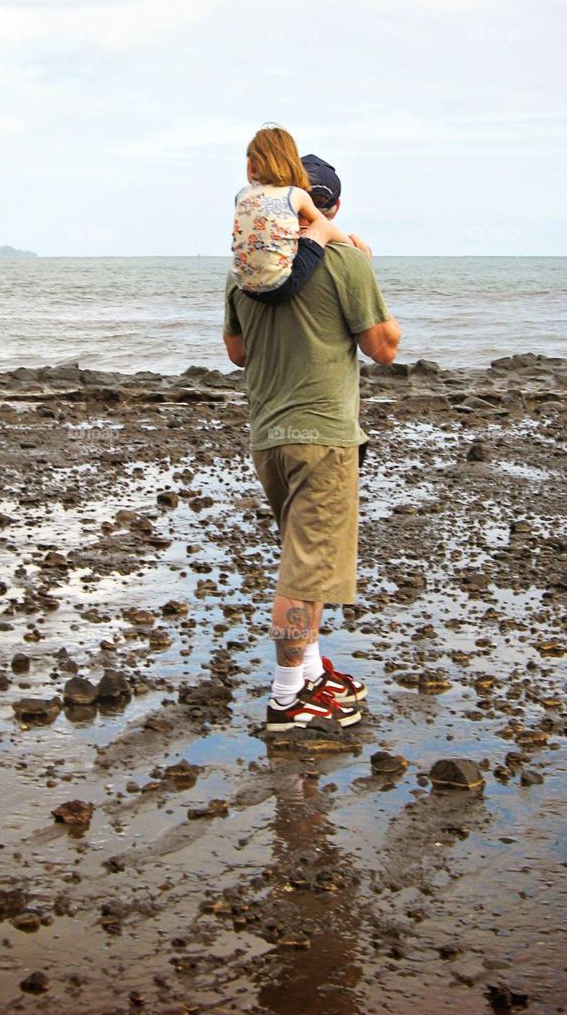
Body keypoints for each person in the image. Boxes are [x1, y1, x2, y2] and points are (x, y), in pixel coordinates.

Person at [223, 147, 402, 731]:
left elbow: (238, 353)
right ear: (335, 206)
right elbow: (384, 349)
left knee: (309, 564)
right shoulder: (345, 260)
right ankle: (285, 697)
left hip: (269, 438)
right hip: (323, 438)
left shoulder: (246, 270)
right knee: (304, 574)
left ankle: (311, 673)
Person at [232, 125, 368, 304]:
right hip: (280, 286)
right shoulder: (295, 195)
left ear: (250, 165)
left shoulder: (242, 195)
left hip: (244, 284)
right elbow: (320, 224)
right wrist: (352, 245)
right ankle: (356, 245)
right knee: (321, 228)